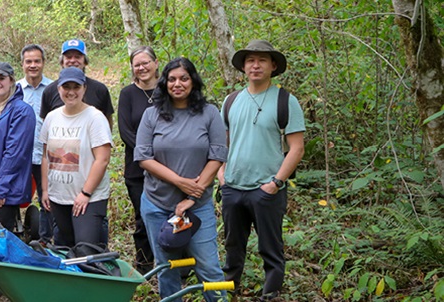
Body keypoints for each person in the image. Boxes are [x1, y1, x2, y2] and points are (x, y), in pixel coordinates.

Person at [218, 40, 305, 300]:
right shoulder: (231, 100)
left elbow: (297, 148)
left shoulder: (286, 101)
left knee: (271, 247)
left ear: (273, 66)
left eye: (262, 61)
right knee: (233, 245)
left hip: (267, 188)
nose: (255, 66)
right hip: (233, 186)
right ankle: (229, 289)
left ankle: (271, 293)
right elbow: (223, 142)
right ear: (243, 67)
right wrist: (222, 175)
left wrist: (276, 183)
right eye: (250, 61)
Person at [135, 57, 228, 301]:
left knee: (208, 267)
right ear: (165, 82)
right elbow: (143, 157)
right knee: (167, 269)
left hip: (197, 207)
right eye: (172, 79)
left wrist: (191, 195)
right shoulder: (151, 114)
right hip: (157, 204)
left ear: (193, 81)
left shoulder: (209, 113)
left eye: (184, 78)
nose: (178, 84)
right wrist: (179, 181)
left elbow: (217, 155)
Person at [40, 38, 114, 247]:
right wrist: (45, 190)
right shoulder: (52, 117)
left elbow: (102, 159)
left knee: (85, 250)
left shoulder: (95, 117)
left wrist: (85, 194)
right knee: (65, 247)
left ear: (84, 88)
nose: (71, 92)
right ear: (59, 89)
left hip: (88, 198)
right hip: (58, 197)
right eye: (66, 87)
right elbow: (46, 157)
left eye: (76, 87)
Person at [0, 62, 36, 232]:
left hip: (3, 181)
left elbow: (15, 154)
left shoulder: (21, 111)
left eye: (1, 78)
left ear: (11, 81)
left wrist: (1, 188)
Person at [117, 46, 160, 273]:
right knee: (143, 217)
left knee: (171, 216)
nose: (141, 68)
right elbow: (125, 132)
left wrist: (163, 157)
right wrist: (150, 156)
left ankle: (174, 265)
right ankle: (144, 267)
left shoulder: (169, 90)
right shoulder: (127, 94)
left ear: (155, 64)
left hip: (170, 167)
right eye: (137, 64)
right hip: (136, 169)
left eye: (146, 63)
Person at [17, 44, 54, 243]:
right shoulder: (14, 89)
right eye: (29, 61)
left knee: (46, 197)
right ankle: (14, 232)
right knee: (14, 196)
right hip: (19, 155)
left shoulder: (54, 88)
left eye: (37, 61)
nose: (33, 65)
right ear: (22, 64)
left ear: (43, 63)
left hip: (44, 155)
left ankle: (46, 240)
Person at [40, 39, 114, 127]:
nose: (73, 60)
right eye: (68, 57)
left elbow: (107, 121)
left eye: (78, 57)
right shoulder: (50, 91)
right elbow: (46, 123)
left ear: (85, 61)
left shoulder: (99, 89)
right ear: (62, 62)